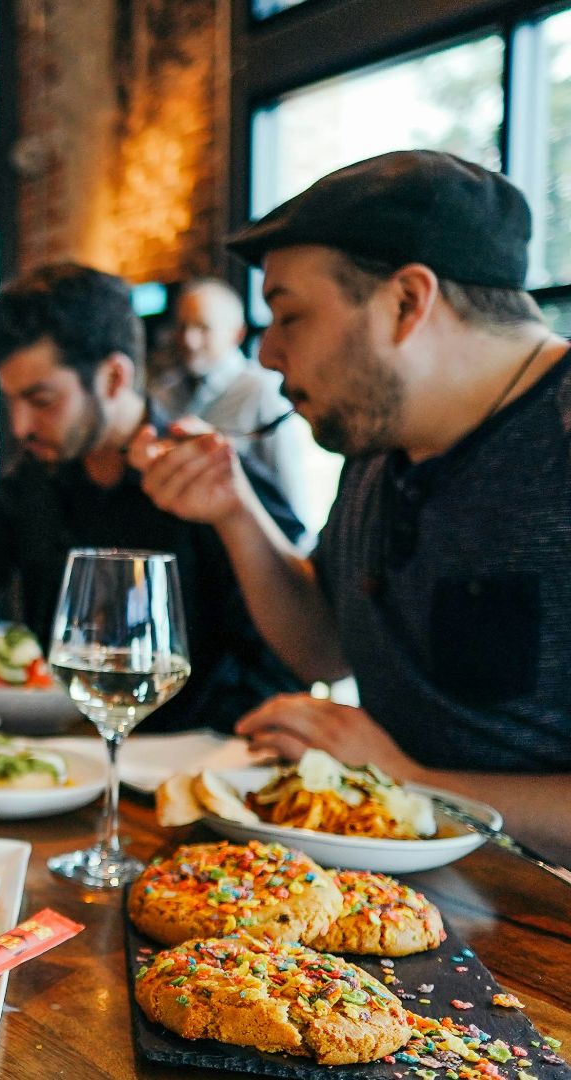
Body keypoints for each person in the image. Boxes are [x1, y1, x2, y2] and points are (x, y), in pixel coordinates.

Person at [133, 150, 571, 860]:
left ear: (406, 302)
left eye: (289, 316)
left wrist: (409, 781)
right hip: (402, 891)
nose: (268, 354)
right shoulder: (379, 443)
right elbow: (323, 643)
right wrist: (235, 511)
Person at [0, 262, 305, 731]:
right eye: (10, 402)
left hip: (185, 769)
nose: (19, 427)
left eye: (42, 401)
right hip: (59, 753)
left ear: (114, 378)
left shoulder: (209, 479)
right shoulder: (31, 482)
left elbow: (285, 662)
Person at [151, 278, 307, 507]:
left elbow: (290, 494)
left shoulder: (263, 391)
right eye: (183, 326)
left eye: (203, 328)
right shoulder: (163, 391)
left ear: (238, 334)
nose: (189, 340)